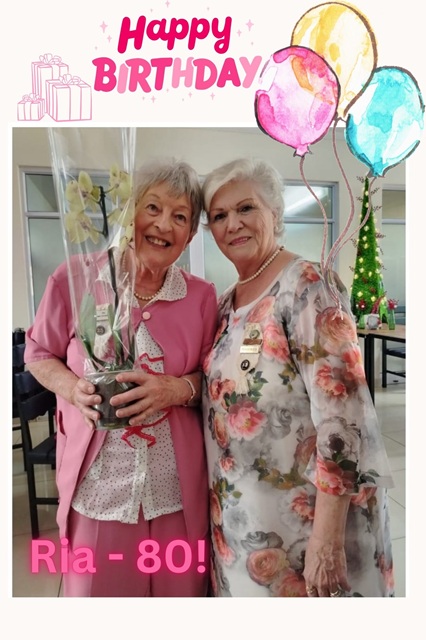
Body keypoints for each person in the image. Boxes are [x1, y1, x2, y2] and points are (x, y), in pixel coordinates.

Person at [201, 157, 394, 597]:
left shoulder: (306, 284)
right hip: (245, 524)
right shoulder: (227, 302)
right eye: (219, 215)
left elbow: (344, 417)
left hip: (309, 531)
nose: (233, 223)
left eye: (246, 208)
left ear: (275, 211)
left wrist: (326, 542)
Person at [25, 158, 218, 597]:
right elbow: (38, 354)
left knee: (178, 602)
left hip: (175, 490)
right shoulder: (75, 278)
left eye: (180, 217)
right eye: (152, 207)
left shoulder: (202, 297)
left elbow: (213, 379)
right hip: (98, 488)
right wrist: (73, 389)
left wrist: (176, 388)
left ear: (190, 235)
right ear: (129, 212)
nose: (163, 225)